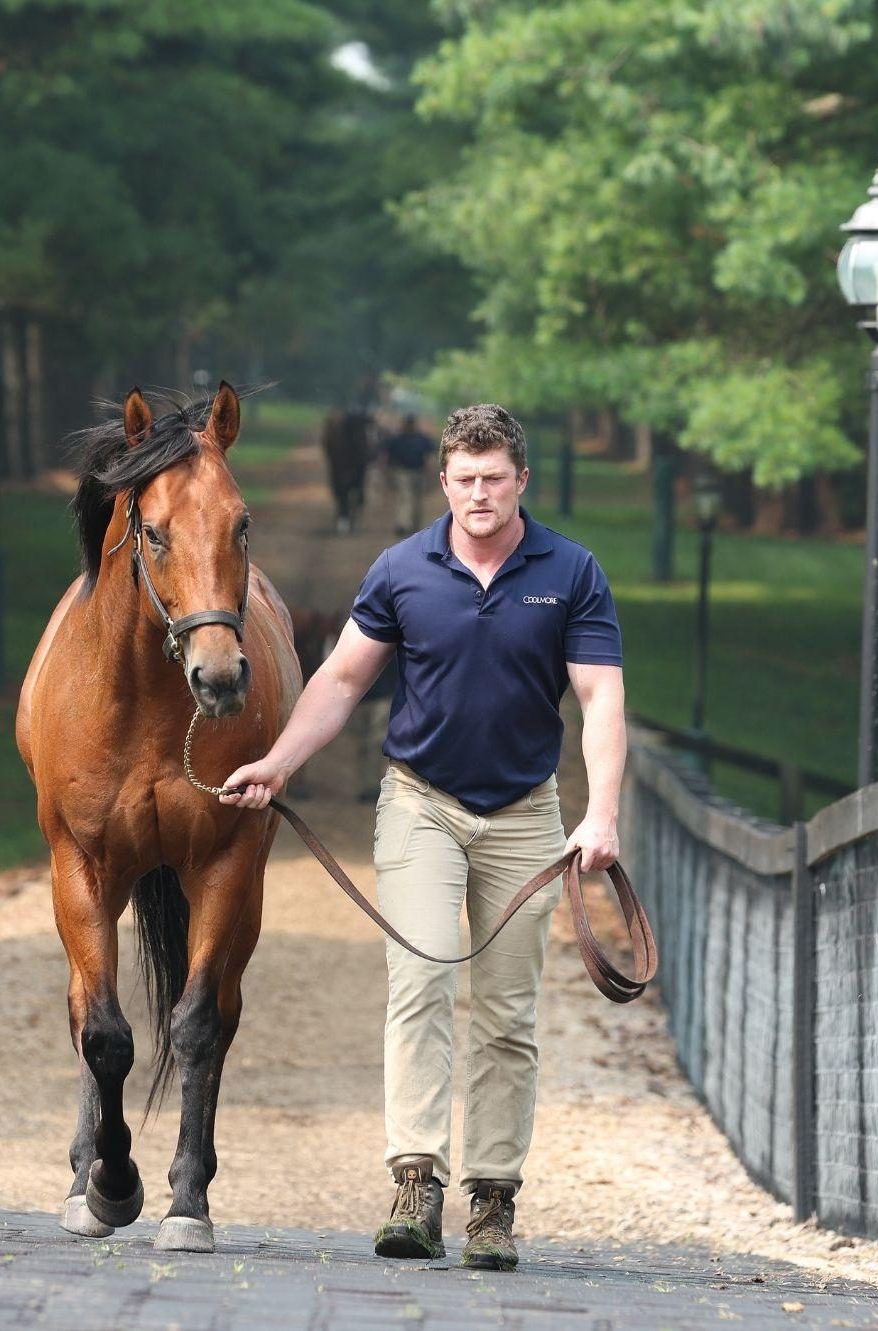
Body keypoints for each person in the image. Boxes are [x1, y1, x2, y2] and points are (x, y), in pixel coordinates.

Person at [220, 403, 626, 1272]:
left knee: (509, 1014)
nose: (479, 492)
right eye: (464, 478)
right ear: (443, 482)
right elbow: (339, 678)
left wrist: (603, 813)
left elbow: (599, 698)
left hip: (524, 815)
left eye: (494, 477)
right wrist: (279, 761)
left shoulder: (573, 571)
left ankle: (492, 1199)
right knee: (423, 985)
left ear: (521, 480)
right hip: (422, 806)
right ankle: (415, 1183)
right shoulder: (404, 568)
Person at [380, 414, 436, 535]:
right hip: (402, 472)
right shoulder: (398, 439)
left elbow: (430, 455)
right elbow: (386, 453)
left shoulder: (421, 438)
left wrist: (429, 470)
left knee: (417, 500)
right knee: (405, 497)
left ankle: (414, 524)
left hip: (419, 472)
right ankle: (403, 523)